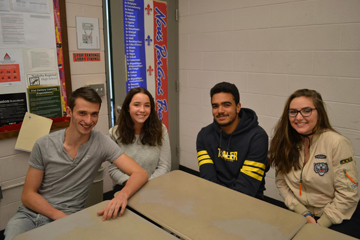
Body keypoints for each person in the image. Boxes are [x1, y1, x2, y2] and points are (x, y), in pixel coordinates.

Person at [4, 87, 148, 240]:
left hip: (69, 216)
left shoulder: (101, 142)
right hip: (30, 215)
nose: (88, 121)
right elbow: (28, 195)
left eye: (94, 114)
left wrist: (122, 196)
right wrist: (60, 217)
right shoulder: (44, 144)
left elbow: (140, 173)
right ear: (69, 112)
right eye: (82, 113)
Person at [268, 89, 359, 238]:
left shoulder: (337, 143)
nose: (299, 117)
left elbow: (348, 194)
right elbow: (281, 182)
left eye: (306, 111)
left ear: (319, 113)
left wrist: (320, 224)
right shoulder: (285, 141)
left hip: (336, 217)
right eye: (293, 112)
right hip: (301, 213)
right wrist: (303, 213)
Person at [196, 82, 268, 199]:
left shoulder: (257, 137)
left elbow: (246, 189)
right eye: (215, 106)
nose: (220, 110)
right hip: (213, 198)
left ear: (238, 107)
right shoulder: (204, 135)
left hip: (248, 201)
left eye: (226, 105)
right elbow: (208, 180)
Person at [108, 87, 171, 193]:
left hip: (155, 185)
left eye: (147, 105)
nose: (142, 110)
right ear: (128, 108)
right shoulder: (114, 134)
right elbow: (113, 170)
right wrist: (133, 186)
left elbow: (164, 166)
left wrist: (146, 186)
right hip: (124, 187)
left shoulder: (161, 130)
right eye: (136, 105)